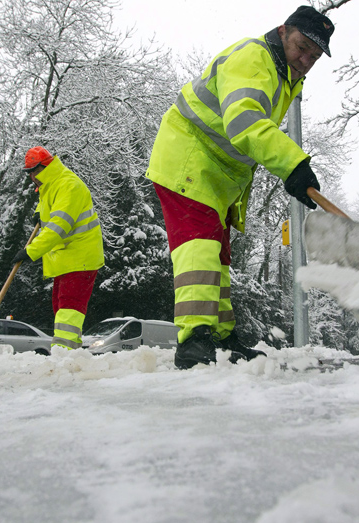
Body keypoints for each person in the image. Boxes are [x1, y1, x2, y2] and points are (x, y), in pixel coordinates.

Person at [145, 6, 335, 369]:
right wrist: (293, 164)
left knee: (217, 257)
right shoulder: (254, 58)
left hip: (216, 174)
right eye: (301, 47)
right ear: (283, 31)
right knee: (199, 247)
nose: (306, 59)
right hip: (188, 158)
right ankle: (194, 339)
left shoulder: (285, 75)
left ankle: (221, 337)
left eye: (314, 56)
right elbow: (244, 122)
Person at [12, 146, 104, 351]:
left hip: (80, 256)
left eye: (32, 172)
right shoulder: (50, 185)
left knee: (69, 306)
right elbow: (51, 207)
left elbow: (58, 226)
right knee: (60, 306)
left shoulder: (68, 185)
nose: (31, 177)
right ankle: (69, 350)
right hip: (65, 258)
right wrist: (39, 211)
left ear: (44, 167)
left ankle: (65, 352)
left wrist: (31, 251)